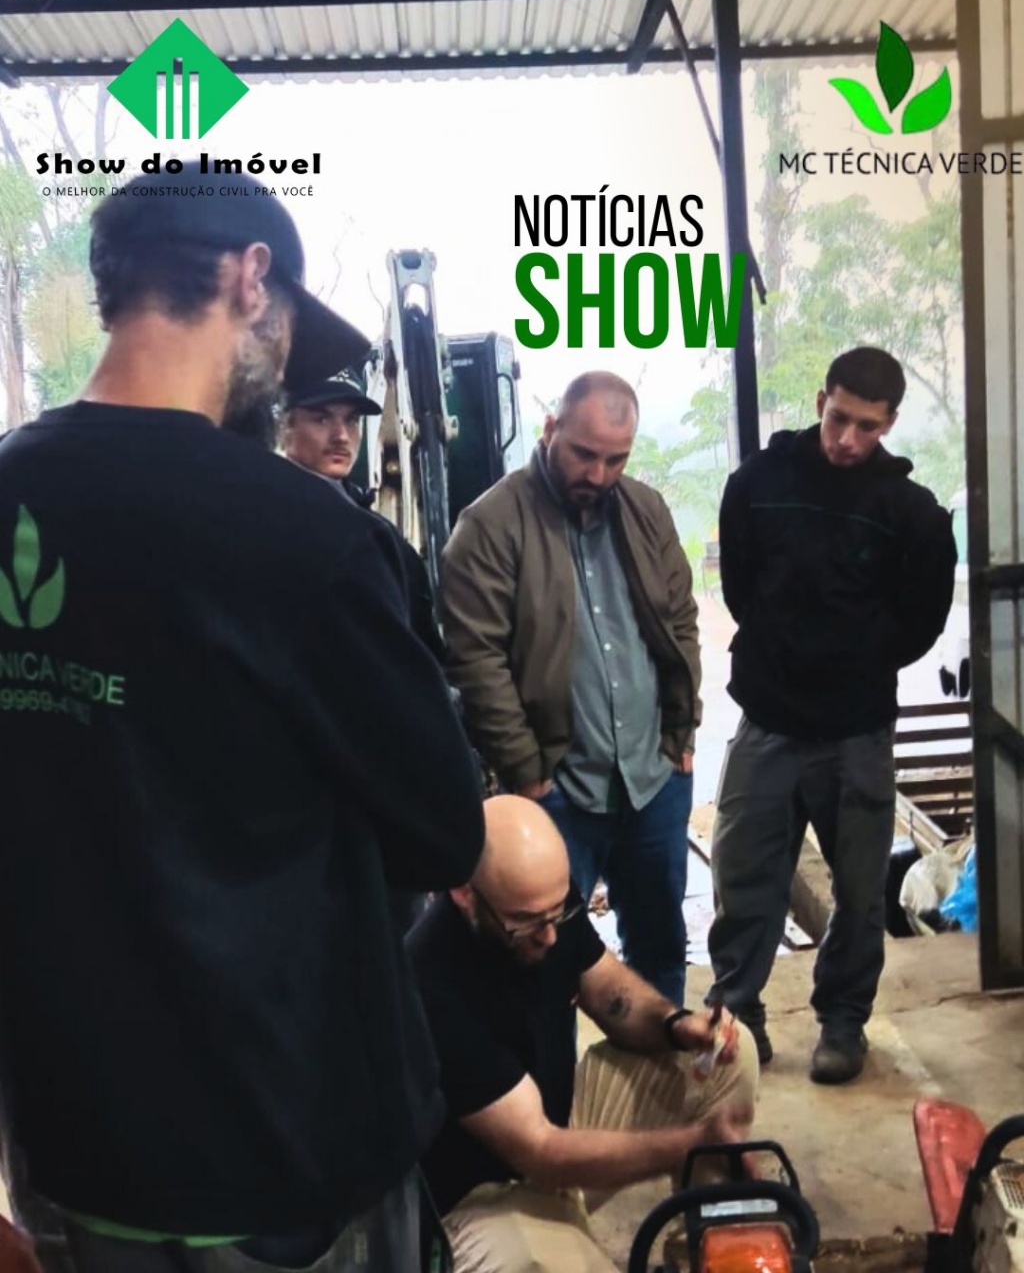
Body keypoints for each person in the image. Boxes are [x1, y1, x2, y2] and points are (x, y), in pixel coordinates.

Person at [0, 162, 485, 1273]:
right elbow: (443, 831)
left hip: (73, 1152)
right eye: (289, 330)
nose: (286, 364)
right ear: (248, 276)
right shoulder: (307, 540)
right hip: (277, 1156)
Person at [706, 346, 957, 1084]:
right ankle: (738, 1017)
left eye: (866, 427)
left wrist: (856, 663)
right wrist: (783, 652)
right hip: (768, 721)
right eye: (838, 418)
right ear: (821, 400)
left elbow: (922, 621)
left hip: (856, 731)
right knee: (744, 877)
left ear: (890, 423)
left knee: (858, 890)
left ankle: (844, 1024)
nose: (847, 438)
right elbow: (740, 588)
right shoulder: (757, 485)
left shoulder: (912, 515)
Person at [407, 795, 758, 1273]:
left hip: (558, 1128)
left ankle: (711, 1250)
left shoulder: (542, 902)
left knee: (729, 1057)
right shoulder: (430, 984)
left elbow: (608, 988)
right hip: (483, 1200)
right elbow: (540, 1151)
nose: (550, 936)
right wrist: (689, 1144)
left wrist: (677, 1025)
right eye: (527, 924)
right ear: (465, 893)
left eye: (556, 914)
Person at [439, 371, 702, 1005]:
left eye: (616, 459)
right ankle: (549, 1068)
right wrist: (527, 773)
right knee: (542, 961)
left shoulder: (646, 511)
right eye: (584, 454)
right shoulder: (490, 526)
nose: (598, 474)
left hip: (652, 781)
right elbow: (476, 662)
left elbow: (681, 622)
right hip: (559, 791)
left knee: (660, 945)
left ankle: (660, 1053)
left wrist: (681, 732)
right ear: (550, 428)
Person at [281, 369, 444, 662]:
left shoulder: (377, 531)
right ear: (285, 426)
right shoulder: (263, 521)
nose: (341, 436)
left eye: (352, 420)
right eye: (321, 419)